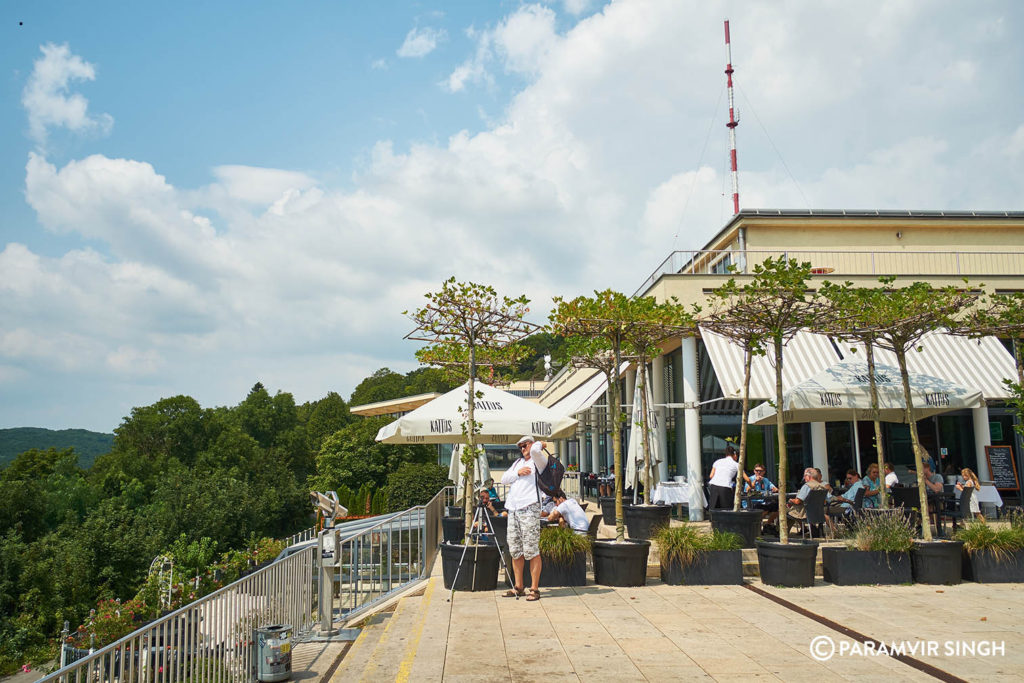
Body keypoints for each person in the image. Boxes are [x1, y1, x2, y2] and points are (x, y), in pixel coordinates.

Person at [501, 435, 549, 601]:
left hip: (530, 506)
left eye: (525, 445)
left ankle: (534, 588)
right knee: (515, 549)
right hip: (513, 508)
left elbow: (536, 449)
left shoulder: (538, 460)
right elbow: (504, 478)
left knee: (531, 548)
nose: (523, 449)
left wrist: (540, 444)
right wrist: (518, 473)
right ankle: (519, 586)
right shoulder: (517, 464)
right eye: (520, 447)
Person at [786, 468, 827, 532]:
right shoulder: (822, 487)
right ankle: (808, 529)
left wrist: (791, 500)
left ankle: (783, 534)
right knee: (791, 511)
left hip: (805, 514)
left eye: (804, 476)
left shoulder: (807, 486)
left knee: (784, 511)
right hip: (818, 513)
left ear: (808, 476)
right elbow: (824, 502)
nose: (804, 478)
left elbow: (797, 501)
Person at [745, 464, 779, 529]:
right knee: (764, 508)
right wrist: (755, 481)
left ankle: (767, 524)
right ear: (754, 471)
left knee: (776, 506)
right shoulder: (750, 479)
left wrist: (775, 489)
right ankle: (756, 525)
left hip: (763, 502)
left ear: (764, 472)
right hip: (752, 502)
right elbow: (747, 490)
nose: (758, 472)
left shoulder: (766, 480)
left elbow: (774, 487)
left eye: (760, 471)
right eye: (757, 470)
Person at [708, 445, 741, 509]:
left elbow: (711, 476)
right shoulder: (736, 464)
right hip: (725, 486)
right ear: (735, 454)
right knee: (727, 508)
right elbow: (746, 478)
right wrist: (751, 485)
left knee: (714, 507)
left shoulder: (717, 461)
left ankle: (713, 519)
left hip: (714, 485)